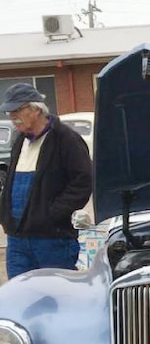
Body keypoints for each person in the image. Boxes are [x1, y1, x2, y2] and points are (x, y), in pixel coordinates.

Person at [0, 83, 92, 279]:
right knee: (21, 296)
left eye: (16, 110)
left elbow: (82, 182)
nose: (12, 117)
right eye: (9, 112)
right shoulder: (20, 140)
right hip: (17, 239)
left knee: (55, 298)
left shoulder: (66, 140)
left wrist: (52, 214)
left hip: (52, 240)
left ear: (35, 109)